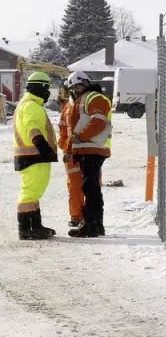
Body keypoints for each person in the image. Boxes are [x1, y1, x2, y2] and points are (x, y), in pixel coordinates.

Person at [65, 71, 112, 238]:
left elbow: (98, 122)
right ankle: (96, 225)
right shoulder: (83, 100)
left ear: (85, 83)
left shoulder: (94, 98)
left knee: (89, 187)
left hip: (92, 149)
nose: (76, 90)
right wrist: (71, 148)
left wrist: (80, 137)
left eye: (78, 85)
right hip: (87, 149)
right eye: (73, 87)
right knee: (91, 188)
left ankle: (91, 225)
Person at [12, 72, 58, 240]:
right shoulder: (31, 106)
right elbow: (33, 128)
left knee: (34, 192)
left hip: (32, 156)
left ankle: (35, 226)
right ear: (40, 87)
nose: (48, 93)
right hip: (34, 155)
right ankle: (25, 229)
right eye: (47, 89)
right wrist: (43, 147)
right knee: (29, 192)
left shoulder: (28, 104)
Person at [57, 85, 84, 227]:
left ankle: (90, 217)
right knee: (74, 187)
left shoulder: (90, 104)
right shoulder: (68, 107)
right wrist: (63, 143)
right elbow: (62, 127)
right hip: (71, 154)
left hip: (88, 152)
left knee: (90, 186)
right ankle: (76, 217)